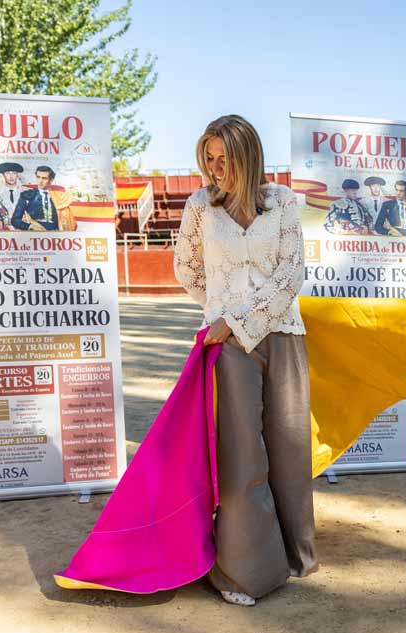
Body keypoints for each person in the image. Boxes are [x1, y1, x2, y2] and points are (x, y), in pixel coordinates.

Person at [173, 114, 316, 606]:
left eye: (224, 160)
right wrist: (219, 312)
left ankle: (297, 555)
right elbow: (186, 268)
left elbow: (293, 271)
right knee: (241, 457)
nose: (216, 169)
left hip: (285, 334)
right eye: (209, 160)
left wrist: (238, 318)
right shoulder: (198, 205)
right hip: (227, 346)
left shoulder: (282, 201)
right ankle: (245, 571)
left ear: (248, 158)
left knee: (290, 448)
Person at [10, 166, 76, 231]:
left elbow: (68, 221)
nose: (40, 181)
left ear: (51, 180)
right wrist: (30, 226)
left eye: (44, 178)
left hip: (55, 235)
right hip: (34, 234)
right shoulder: (27, 195)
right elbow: (15, 220)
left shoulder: (59, 197)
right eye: (38, 177)